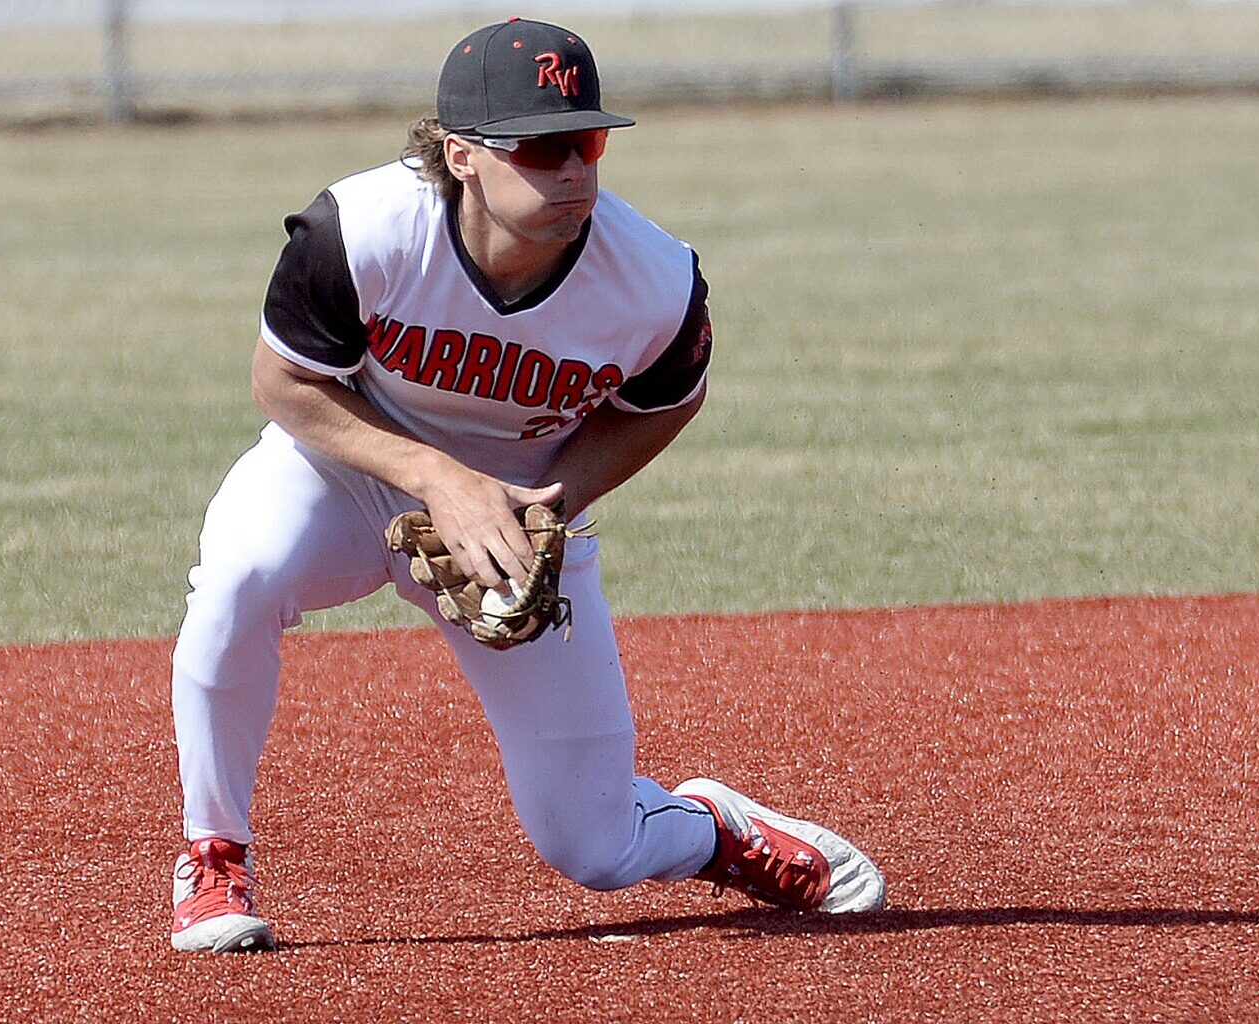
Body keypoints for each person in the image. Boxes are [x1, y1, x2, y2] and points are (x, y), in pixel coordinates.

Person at [168, 18, 885, 953]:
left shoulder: (655, 283)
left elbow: (666, 403)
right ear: (460, 154)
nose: (574, 171)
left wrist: (556, 501)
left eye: (586, 142)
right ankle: (213, 853)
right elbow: (283, 382)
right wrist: (435, 474)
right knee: (240, 574)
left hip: (516, 509)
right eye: (542, 148)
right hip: (344, 468)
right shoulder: (363, 230)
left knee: (593, 844)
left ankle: (711, 827)